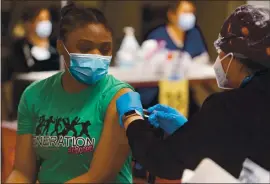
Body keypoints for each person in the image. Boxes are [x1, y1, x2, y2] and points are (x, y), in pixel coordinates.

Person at [116, 5, 270, 180]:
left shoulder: (229, 107)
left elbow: (163, 162)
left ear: (234, 57)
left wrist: (132, 116)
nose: (219, 60)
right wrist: (189, 131)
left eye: (221, 52)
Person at [6, 3, 133, 183]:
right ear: (60, 47)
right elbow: (22, 172)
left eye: (105, 49)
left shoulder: (119, 97)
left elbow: (97, 176)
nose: (96, 55)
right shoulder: (34, 95)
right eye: (85, 47)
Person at [137, 0, 208, 117]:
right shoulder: (156, 37)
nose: (189, 16)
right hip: (157, 94)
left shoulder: (193, 34)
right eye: (185, 12)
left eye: (192, 12)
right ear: (172, 15)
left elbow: (203, 59)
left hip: (183, 93)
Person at [2, 6, 59, 83]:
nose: (46, 23)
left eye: (47, 19)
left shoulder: (56, 46)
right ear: (29, 24)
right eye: (40, 20)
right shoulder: (19, 49)